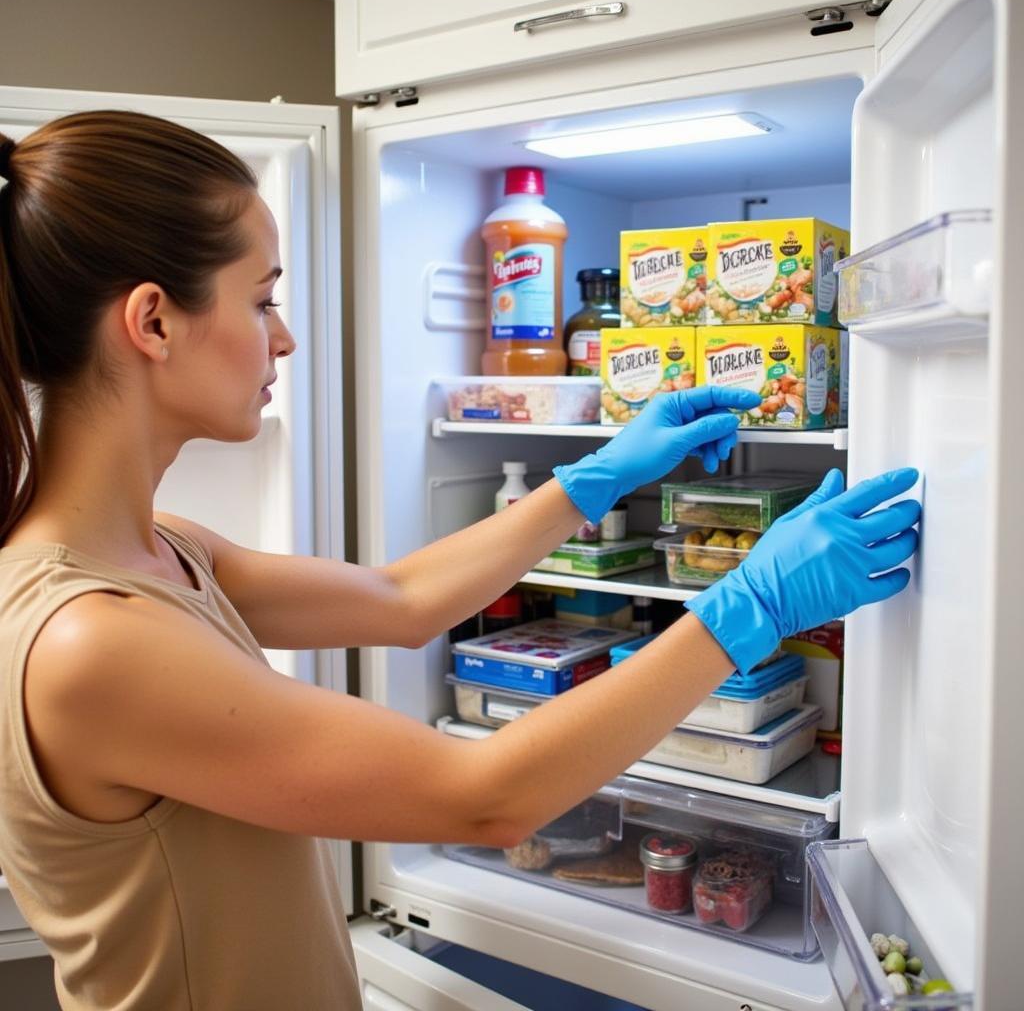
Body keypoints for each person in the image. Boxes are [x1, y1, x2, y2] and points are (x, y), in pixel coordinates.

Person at [0, 111, 920, 1011]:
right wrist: (749, 604)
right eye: (262, 298)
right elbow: (484, 798)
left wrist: (592, 479)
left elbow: (401, 600)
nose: (282, 337)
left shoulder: (164, 552)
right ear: (153, 323)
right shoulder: (90, 642)